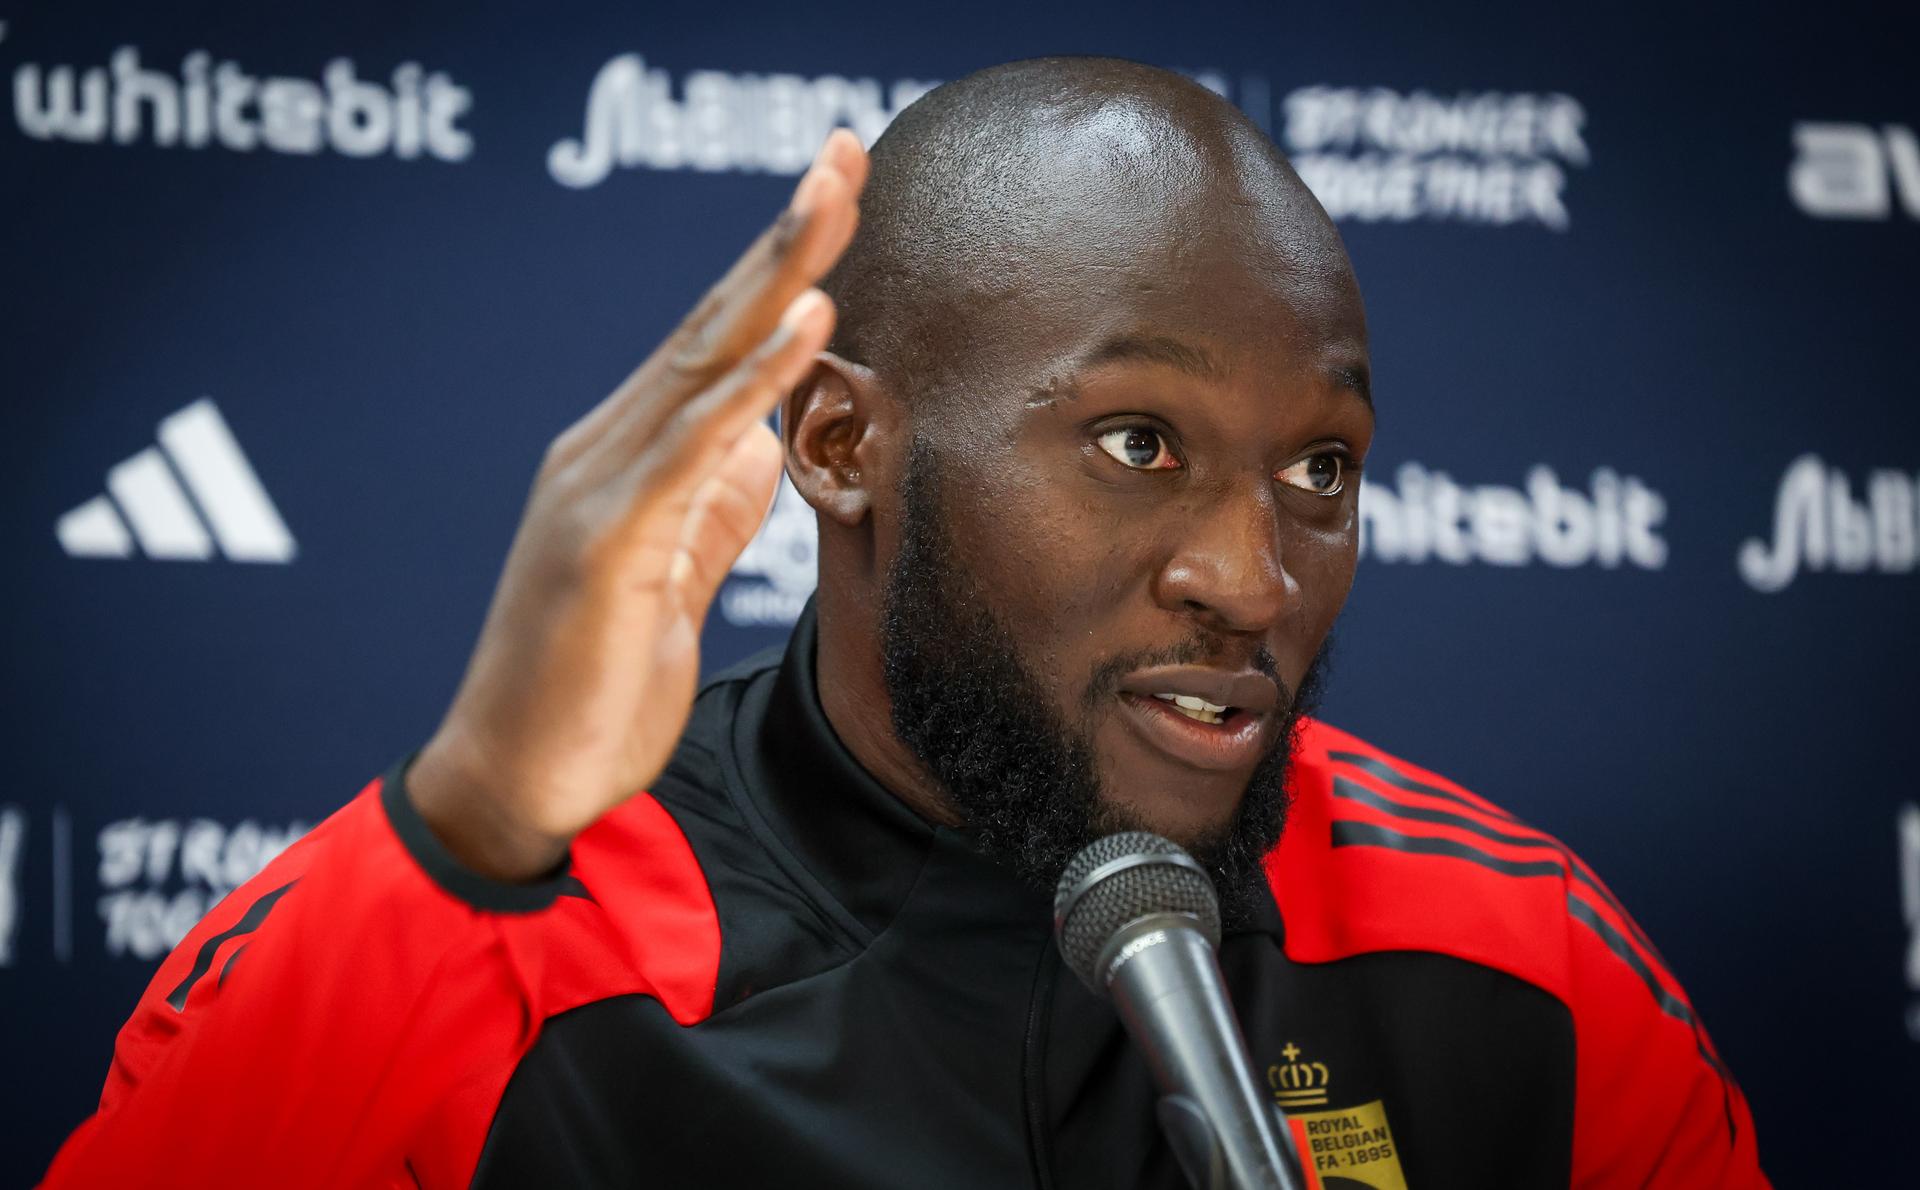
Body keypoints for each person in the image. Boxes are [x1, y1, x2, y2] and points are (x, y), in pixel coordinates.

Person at [43, 57, 1765, 1188]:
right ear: (842, 441)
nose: (1251, 577)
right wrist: (476, 821)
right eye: (1138, 442)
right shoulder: (495, 935)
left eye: (1320, 464)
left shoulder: (1512, 956)